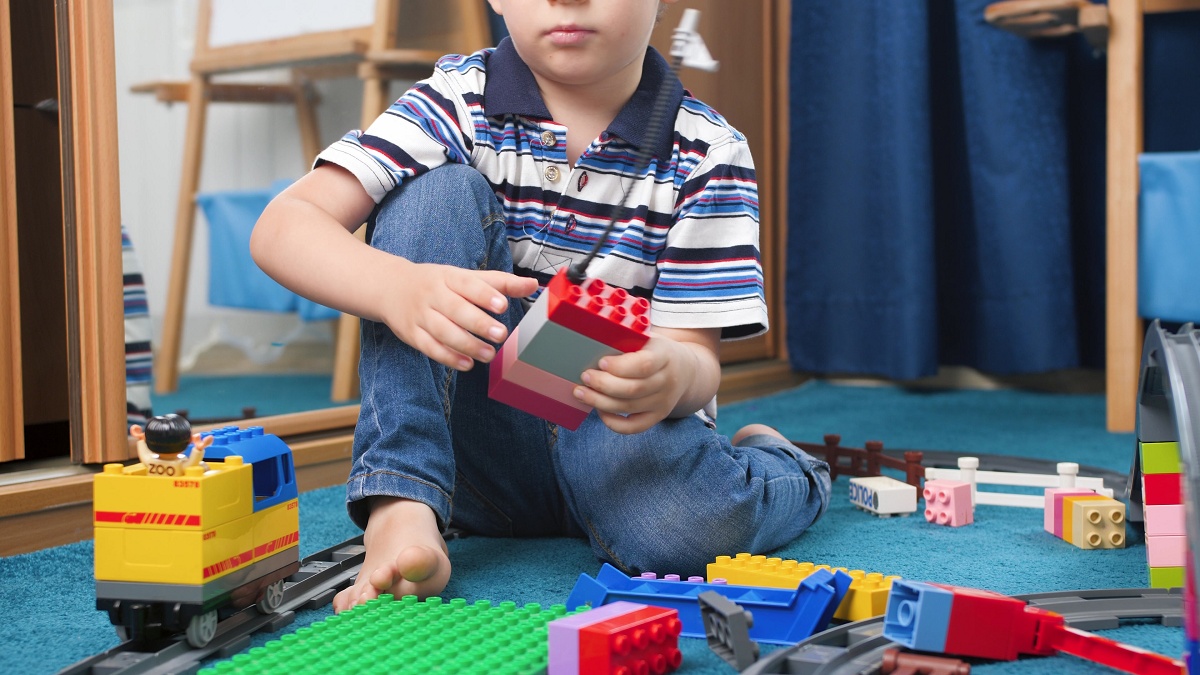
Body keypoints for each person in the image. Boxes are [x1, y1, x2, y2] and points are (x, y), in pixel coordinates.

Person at [251, 0, 831, 613]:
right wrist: (397, 287)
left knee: (694, 533)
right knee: (429, 190)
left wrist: (674, 372)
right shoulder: (458, 100)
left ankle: (787, 467)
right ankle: (403, 500)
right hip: (471, 450)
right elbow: (284, 226)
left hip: (616, 443)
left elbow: (696, 359)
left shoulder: (709, 152)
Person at [130, 413, 212, 476]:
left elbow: (143, 453)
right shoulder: (179, 465)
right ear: (189, 440)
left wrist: (141, 440)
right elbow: (192, 463)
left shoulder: (149, 461)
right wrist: (198, 450)